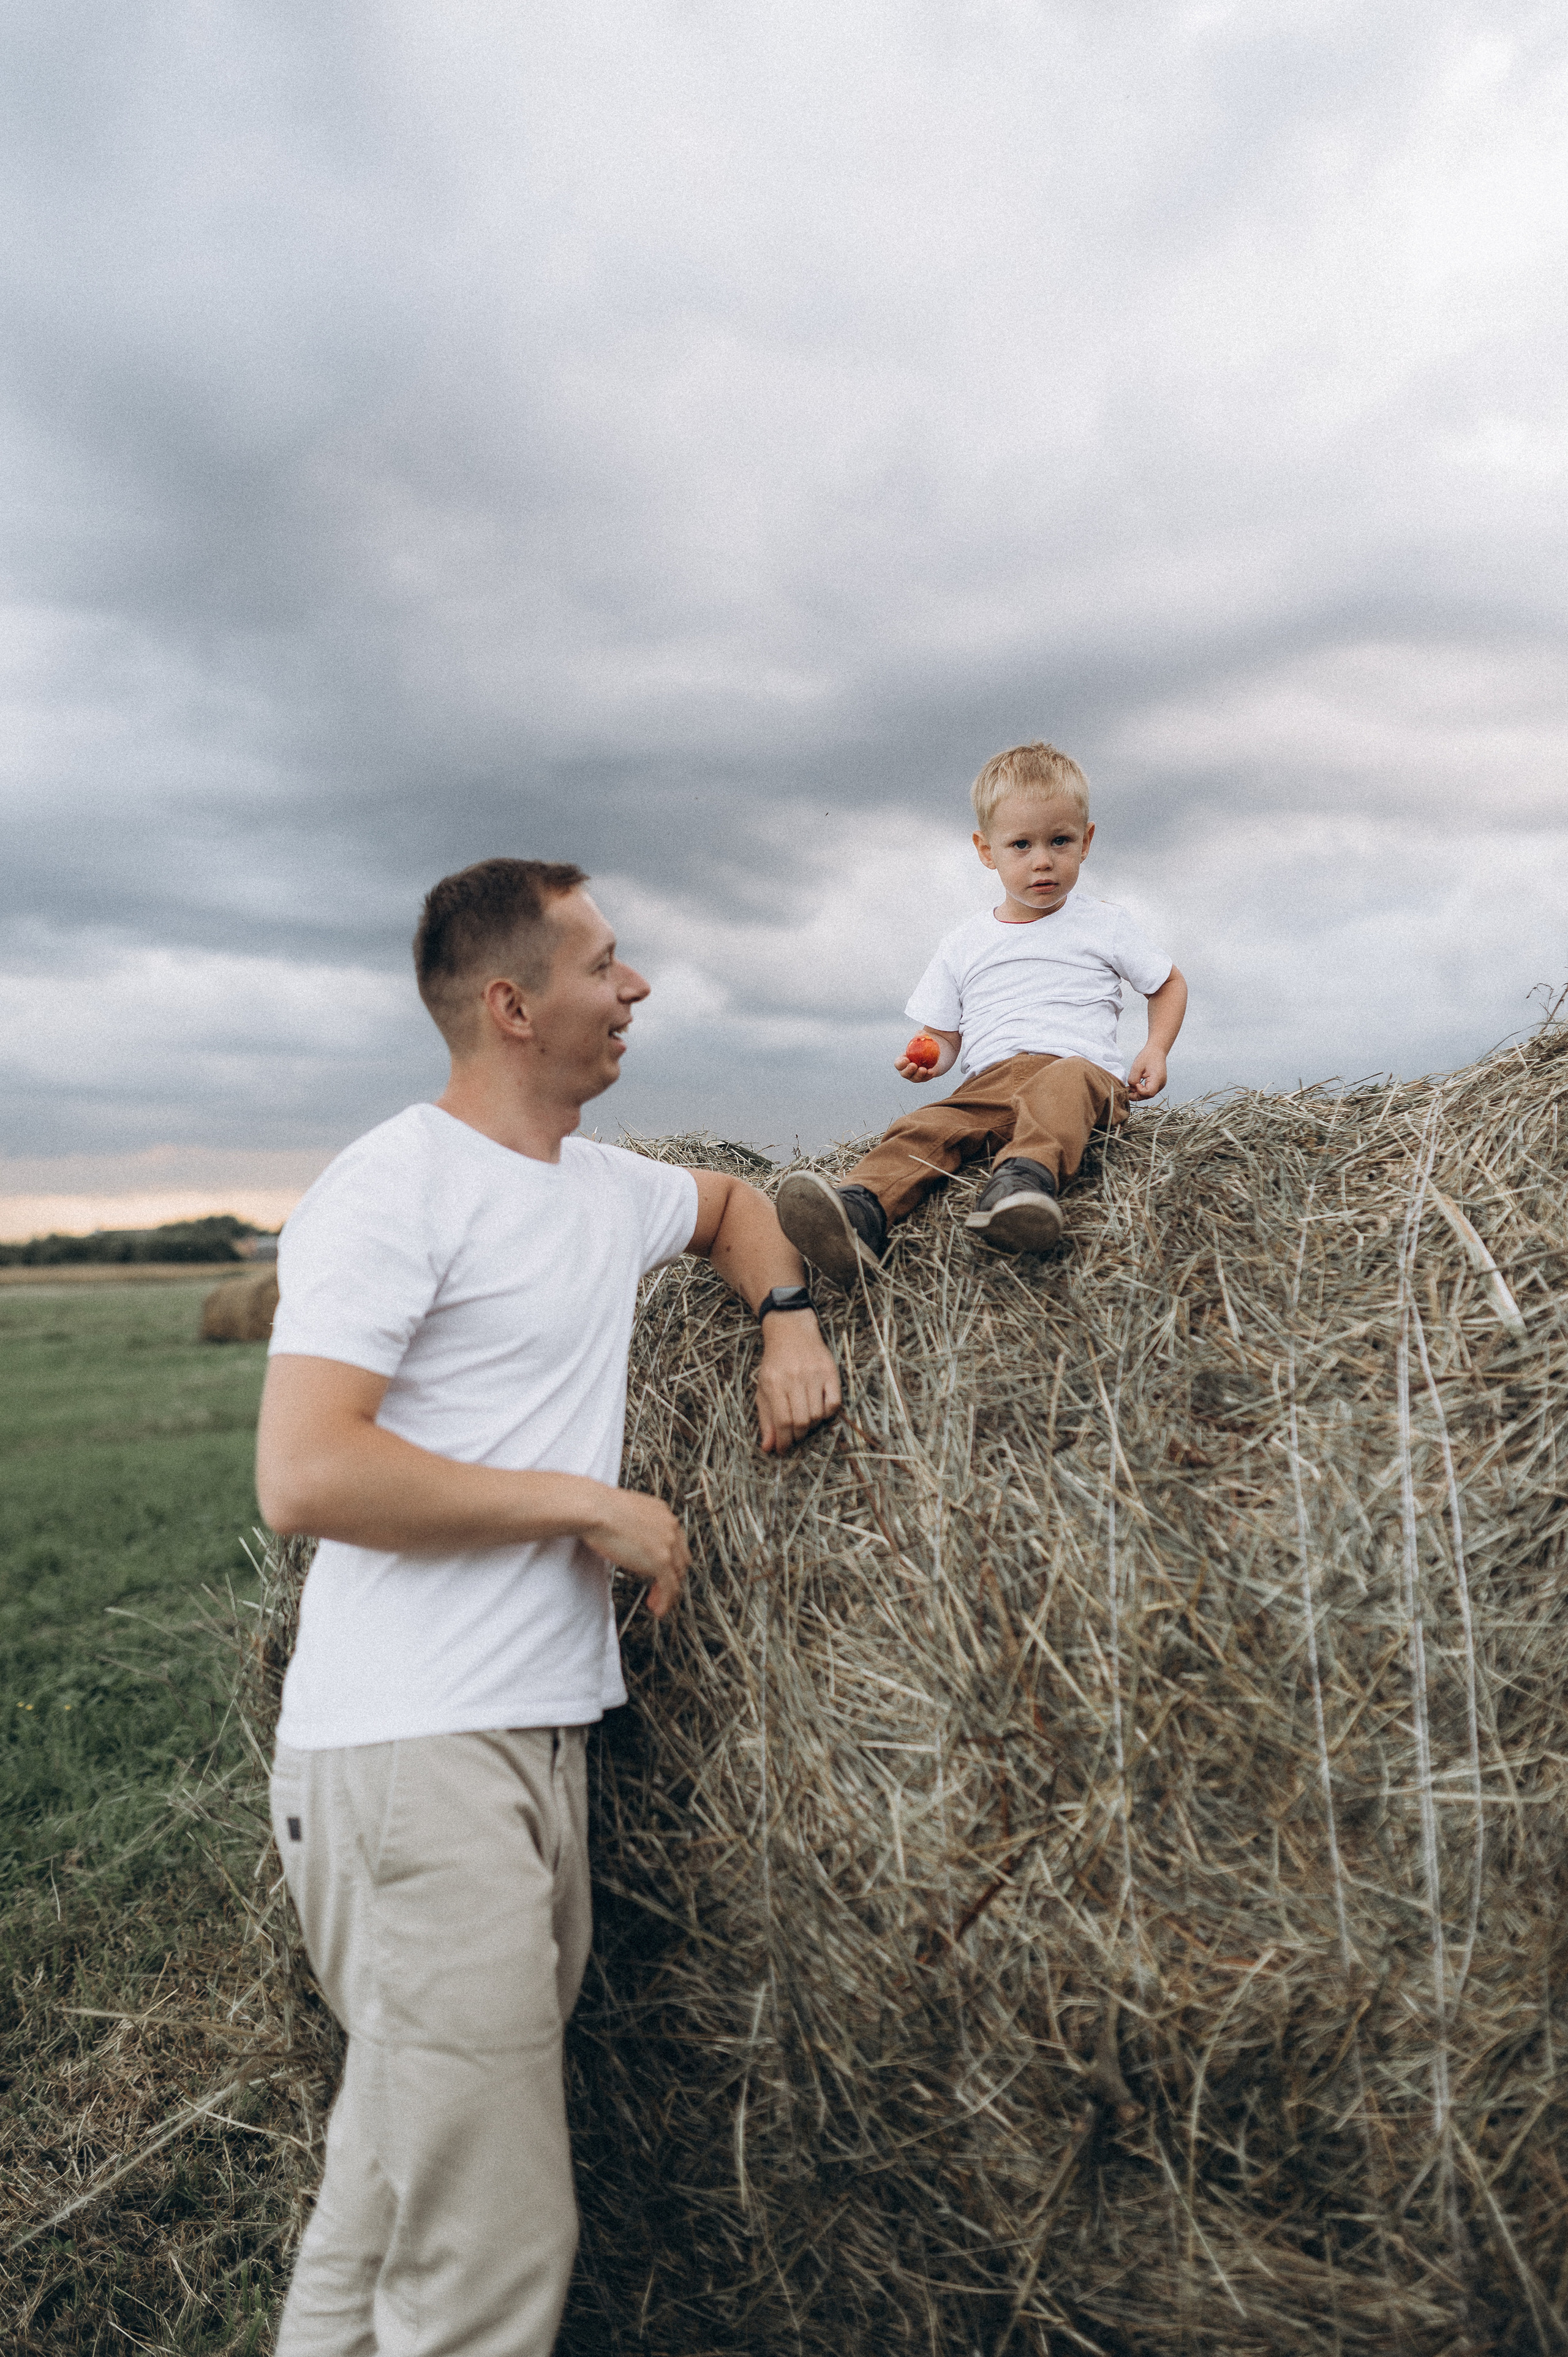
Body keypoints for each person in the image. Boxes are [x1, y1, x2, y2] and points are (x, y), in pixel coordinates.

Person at [255, 857, 840, 2357]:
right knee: (495, 2250)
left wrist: (785, 1316)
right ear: (512, 1005)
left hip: (526, 1741)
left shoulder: (597, 1186)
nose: (634, 986)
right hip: (410, 1759)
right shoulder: (394, 1183)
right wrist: (585, 1503)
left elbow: (730, 1206)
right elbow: (307, 1473)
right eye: (603, 963)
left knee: (385, 2197)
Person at [777, 742, 1187, 1282]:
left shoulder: (1105, 924)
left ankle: (1021, 1186)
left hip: (1081, 1078)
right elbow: (944, 1035)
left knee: (1061, 1081)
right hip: (992, 1084)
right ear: (986, 850)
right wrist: (932, 1057)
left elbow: (1168, 983)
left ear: (1086, 843)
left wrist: (1155, 1047)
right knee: (926, 1125)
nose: (1043, 859)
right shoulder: (964, 943)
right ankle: (860, 1210)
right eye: (1021, 844)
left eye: (1059, 841)